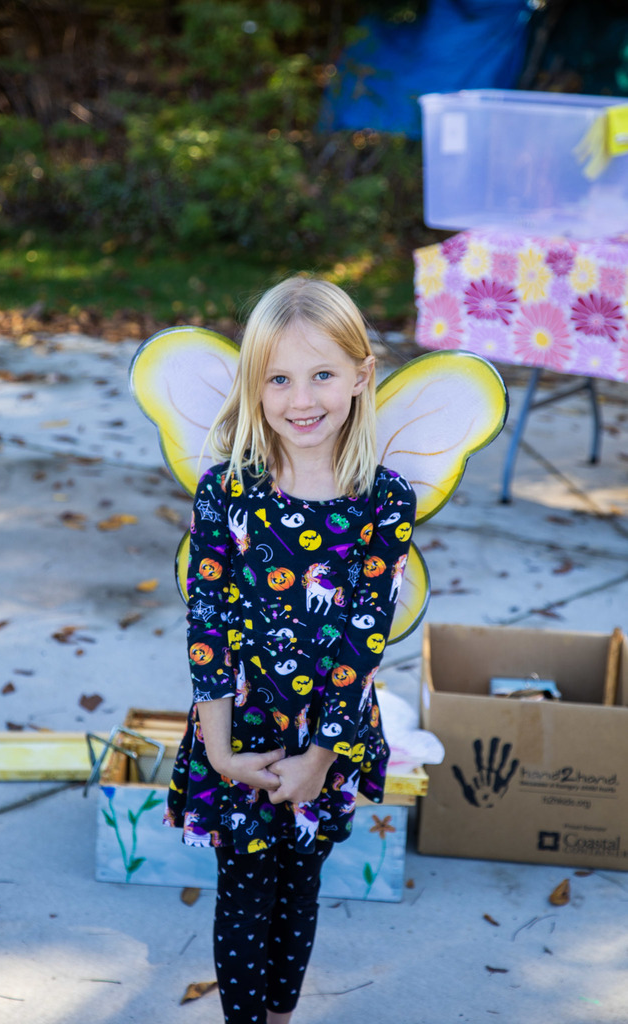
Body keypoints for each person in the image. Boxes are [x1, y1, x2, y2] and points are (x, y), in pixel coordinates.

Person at [164, 275, 416, 1024]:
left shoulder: (383, 502)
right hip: (238, 730)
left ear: (361, 376)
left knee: (300, 886)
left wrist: (321, 759)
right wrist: (218, 752)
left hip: (326, 737)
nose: (301, 399)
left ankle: (280, 1016)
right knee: (244, 892)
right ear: (254, 385)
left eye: (322, 375)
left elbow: (363, 642)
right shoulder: (226, 493)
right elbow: (207, 626)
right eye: (278, 378)